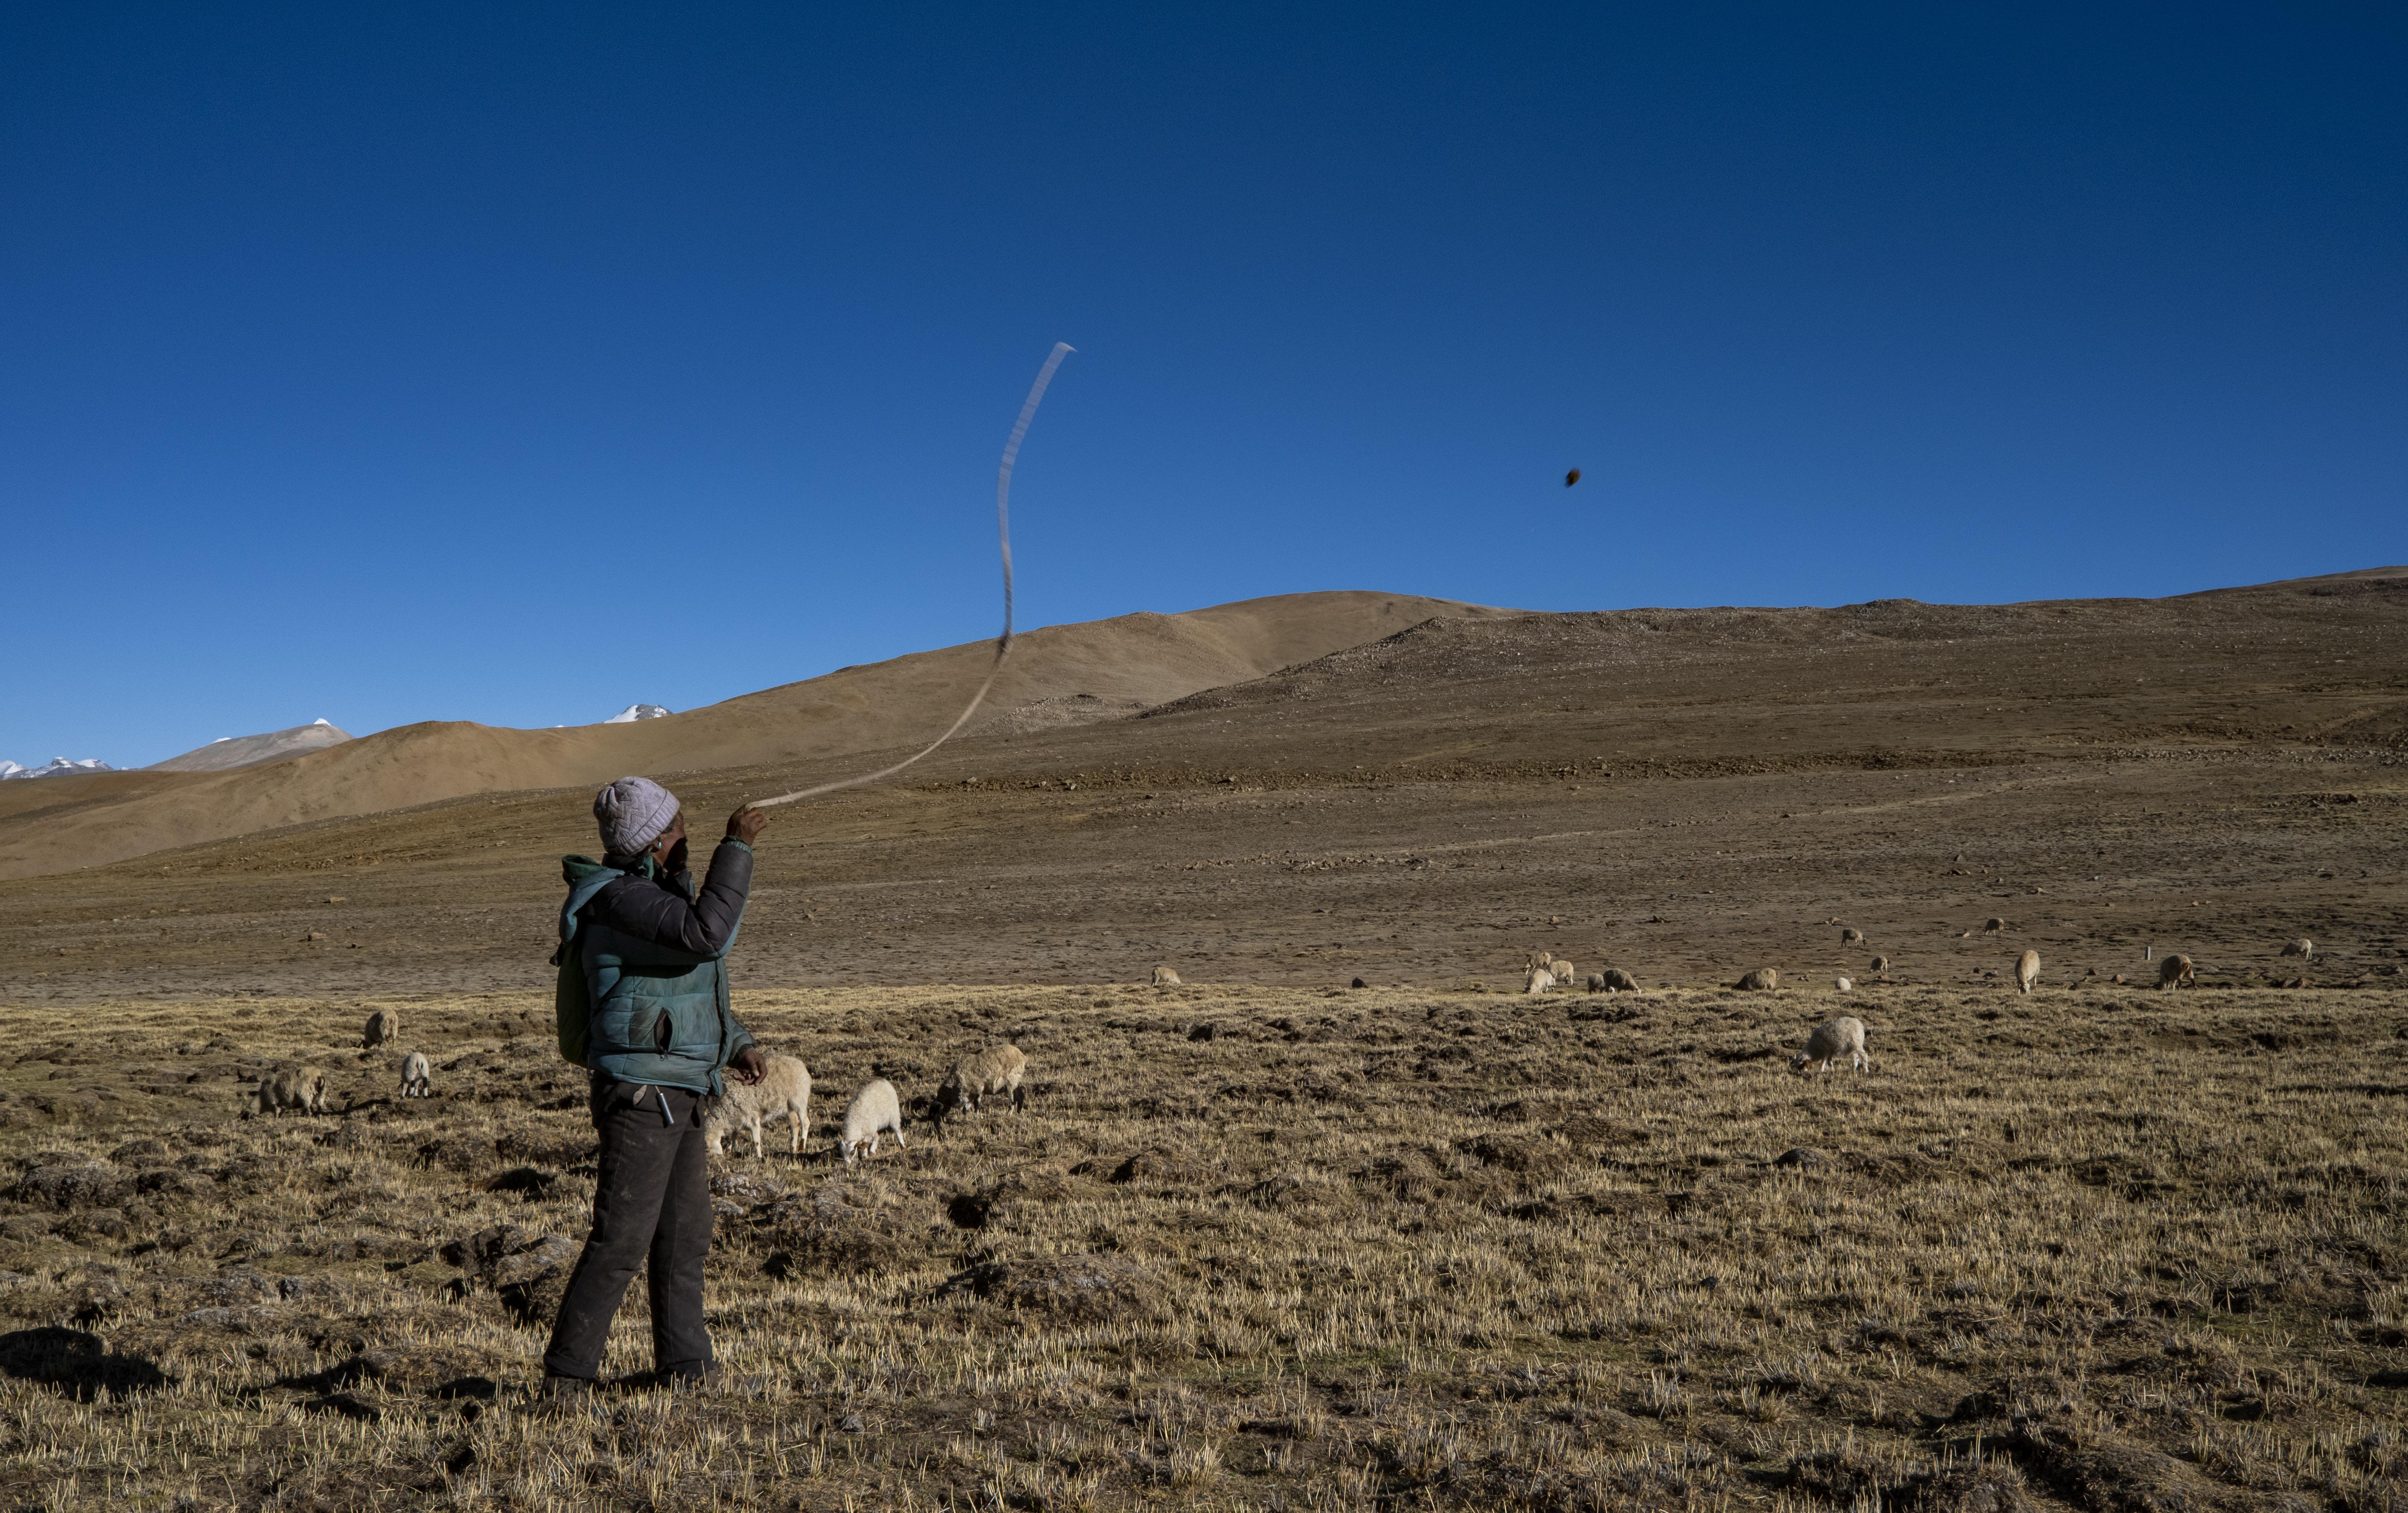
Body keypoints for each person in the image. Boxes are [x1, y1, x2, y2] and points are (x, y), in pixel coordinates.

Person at [541, 775, 771, 1396]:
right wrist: (737, 849)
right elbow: (707, 936)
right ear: (653, 841)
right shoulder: (620, 900)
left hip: (679, 1086)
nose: (686, 837)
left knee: (685, 1234)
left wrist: (735, 1043)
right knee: (621, 1238)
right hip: (642, 1093)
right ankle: (566, 1382)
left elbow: (688, 984)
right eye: (677, 828)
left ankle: (686, 1367)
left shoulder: (654, 895)